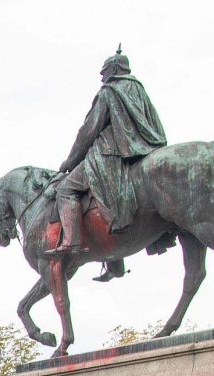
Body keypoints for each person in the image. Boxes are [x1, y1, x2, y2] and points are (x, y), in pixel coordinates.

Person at [48, 47, 167, 263]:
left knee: (65, 190)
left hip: (109, 153)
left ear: (112, 69)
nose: (102, 77)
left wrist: (70, 161)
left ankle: (71, 241)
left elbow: (88, 132)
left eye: (104, 72)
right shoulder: (139, 90)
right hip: (144, 148)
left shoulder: (108, 92)